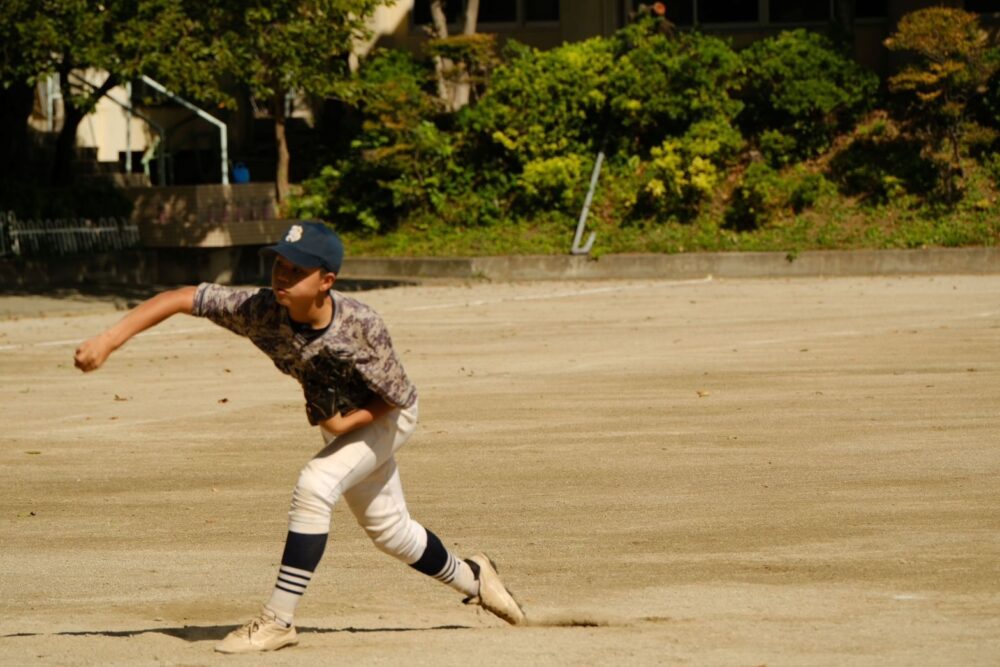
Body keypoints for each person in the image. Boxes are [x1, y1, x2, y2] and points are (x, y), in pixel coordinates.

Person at [74, 221, 525, 653]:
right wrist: (108, 340)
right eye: (279, 264)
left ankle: (277, 621)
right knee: (391, 532)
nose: (282, 275)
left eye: (297, 269)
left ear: (326, 280)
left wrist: (344, 427)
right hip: (353, 419)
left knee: (316, 484)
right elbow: (181, 297)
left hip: (388, 416)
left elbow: (398, 398)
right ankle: (475, 578)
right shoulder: (260, 309)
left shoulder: (360, 326)